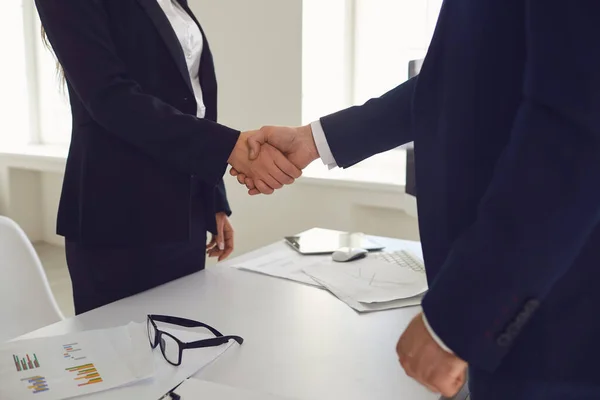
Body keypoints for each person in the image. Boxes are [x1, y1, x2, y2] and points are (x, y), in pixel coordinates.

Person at [231, 1, 600, 399]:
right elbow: (460, 79)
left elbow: (574, 134)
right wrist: (315, 139)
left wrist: (463, 315)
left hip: (555, 320)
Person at [35, 0, 300, 315]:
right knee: (118, 354)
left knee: (185, 349)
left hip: (183, 211)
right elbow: (110, 99)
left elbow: (194, 101)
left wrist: (211, 198)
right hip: (118, 214)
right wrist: (230, 148)